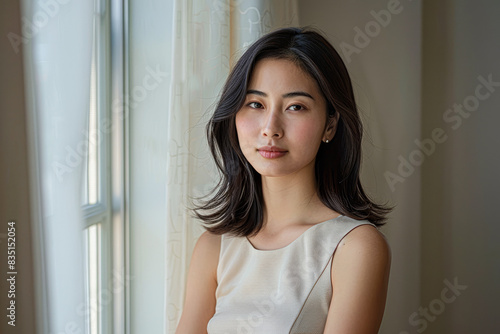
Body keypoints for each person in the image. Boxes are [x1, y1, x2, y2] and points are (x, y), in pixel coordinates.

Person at [175, 27, 392, 334]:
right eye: (255, 104)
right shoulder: (214, 246)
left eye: (295, 107)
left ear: (330, 125)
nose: (270, 128)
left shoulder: (355, 248)